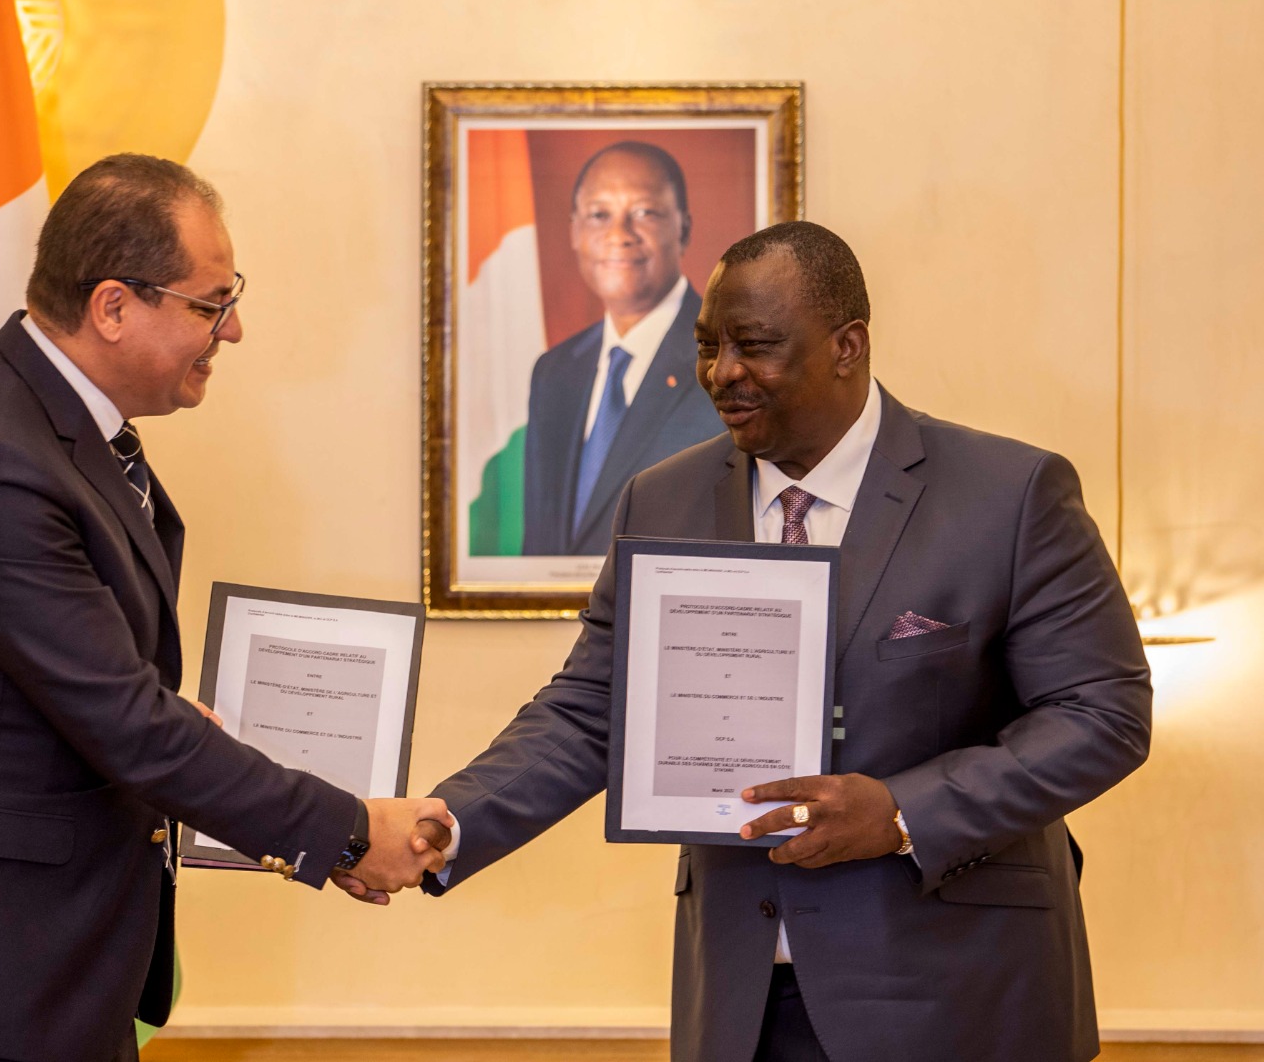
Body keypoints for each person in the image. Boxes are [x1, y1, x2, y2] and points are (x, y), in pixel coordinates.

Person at [376, 222, 1153, 1061]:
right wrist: (446, 822)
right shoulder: (661, 500)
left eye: (753, 345)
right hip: (742, 999)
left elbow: (1103, 713)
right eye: (708, 346)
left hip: (961, 994)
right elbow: (592, 708)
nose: (721, 373)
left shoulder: (1009, 493)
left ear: (848, 346)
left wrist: (901, 812)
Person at [0, 154, 449, 1062]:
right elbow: (127, 725)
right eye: (211, 303)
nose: (233, 328)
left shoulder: (46, 426)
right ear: (113, 306)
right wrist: (347, 831)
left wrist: (167, 719)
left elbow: (77, 689)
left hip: (31, 963)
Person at [521, 141, 724, 556]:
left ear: (684, 228)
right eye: (600, 215)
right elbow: (540, 540)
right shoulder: (554, 371)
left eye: (645, 213)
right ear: (575, 231)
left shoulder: (724, 361)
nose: (619, 235)